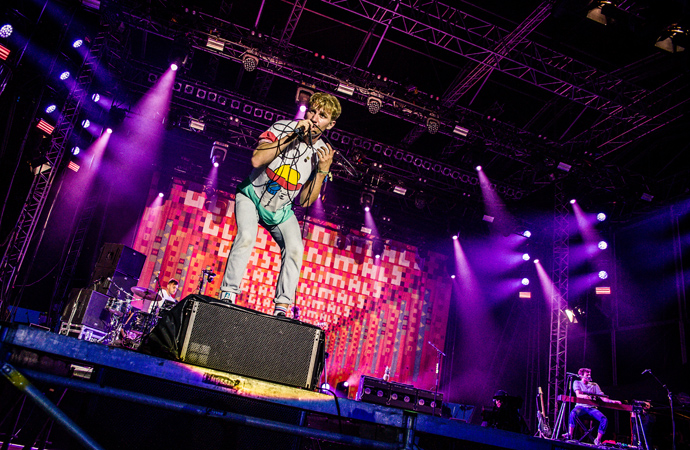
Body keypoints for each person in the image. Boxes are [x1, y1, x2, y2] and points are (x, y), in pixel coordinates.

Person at [219, 92, 341, 316]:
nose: (314, 119)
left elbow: (305, 201)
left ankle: (282, 308)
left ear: (331, 124)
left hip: (281, 212)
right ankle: (228, 294)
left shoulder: (322, 152)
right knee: (246, 236)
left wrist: (323, 171)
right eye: (312, 111)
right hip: (251, 196)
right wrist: (292, 136)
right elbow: (257, 159)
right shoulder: (282, 127)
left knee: (295, 249)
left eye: (322, 116)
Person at [563, 367, 622, 446]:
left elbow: (602, 397)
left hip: (591, 408)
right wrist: (587, 397)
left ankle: (598, 440)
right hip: (581, 407)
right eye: (587, 375)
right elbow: (578, 395)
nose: (589, 376)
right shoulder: (577, 382)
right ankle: (570, 434)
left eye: (590, 374)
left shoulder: (594, 385)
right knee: (573, 413)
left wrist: (612, 401)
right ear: (581, 376)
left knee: (604, 419)